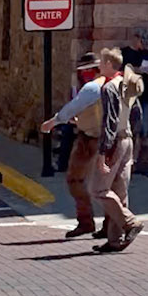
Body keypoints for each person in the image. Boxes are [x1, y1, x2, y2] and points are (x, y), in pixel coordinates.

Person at [39, 51, 103, 239]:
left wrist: (53, 122)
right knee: (98, 184)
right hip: (92, 136)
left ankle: (93, 221)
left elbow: (71, 109)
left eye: (87, 71)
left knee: (84, 182)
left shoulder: (92, 87)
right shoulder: (110, 84)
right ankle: (98, 222)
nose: (84, 75)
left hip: (94, 139)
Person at [89, 47, 144, 252]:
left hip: (115, 142)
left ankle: (130, 222)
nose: (99, 66)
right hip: (127, 139)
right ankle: (115, 240)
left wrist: (103, 152)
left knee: (99, 189)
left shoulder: (109, 88)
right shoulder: (126, 84)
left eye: (102, 63)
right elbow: (137, 115)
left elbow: (109, 122)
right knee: (119, 191)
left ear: (110, 65)